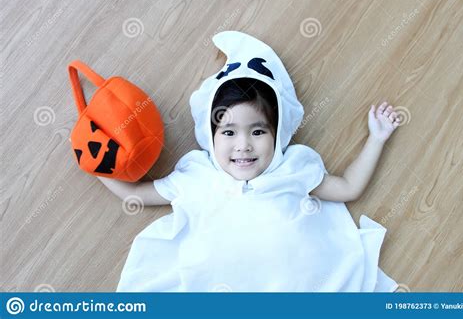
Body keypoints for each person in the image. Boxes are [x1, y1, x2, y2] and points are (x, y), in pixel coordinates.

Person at [99, 31, 401, 292]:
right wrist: (95, 161)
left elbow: (348, 188)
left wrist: (376, 139)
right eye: (229, 132)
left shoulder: (293, 167)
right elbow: (135, 194)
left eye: (257, 131)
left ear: (277, 132)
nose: (243, 146)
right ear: (210, 133)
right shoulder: (195, 177)